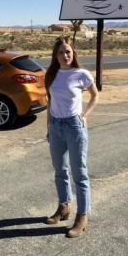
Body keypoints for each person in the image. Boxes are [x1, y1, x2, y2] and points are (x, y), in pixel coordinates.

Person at [44, 36, 99, 238]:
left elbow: (95, 95)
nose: (65, 55)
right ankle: (63, 207)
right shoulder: (51, 74)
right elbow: (50, 102)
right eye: (61, 52)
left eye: (68, 51)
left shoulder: (81, 74)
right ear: (55, 55)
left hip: (75, 126)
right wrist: (48, 127)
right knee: (60, 171)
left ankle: (82, 216)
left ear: (73, 53)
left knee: (80, 174)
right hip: (56, 127)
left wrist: (84, 116)